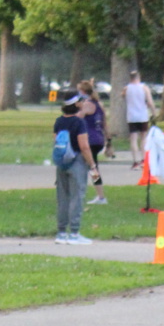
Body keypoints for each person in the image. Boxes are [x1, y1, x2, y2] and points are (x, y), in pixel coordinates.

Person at [51, 93, 93, 245]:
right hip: (77, 162)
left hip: (62, 163)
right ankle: (74, 233)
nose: (83, 103)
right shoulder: (79, 123)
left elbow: (55, 141)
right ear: (76, 104)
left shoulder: (59, 121)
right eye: (81, 101)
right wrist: (92, 164)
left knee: (63, 198)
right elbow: (84, 146)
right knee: (77, 197)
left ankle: (61, 233)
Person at [78, 79, 109, 204]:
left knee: (91, 168)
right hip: (99, 139)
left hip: (89, 140)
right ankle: (98, 195)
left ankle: (100, 196)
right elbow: (105, 124)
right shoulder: (99, 104)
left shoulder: (87, 104)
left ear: (83, 91)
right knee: (91, 167)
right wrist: (109, 140)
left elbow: (77, 118)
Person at [122, 70, 155, 169]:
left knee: (133, 139)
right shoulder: (144, 88)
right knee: (143, 138)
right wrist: (153, 112)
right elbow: (150, 102)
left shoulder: (126, 88)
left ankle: (135, 161)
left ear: (130, 78)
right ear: (138, 77)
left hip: (131, 116)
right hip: (142, 116)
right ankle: (143, 160)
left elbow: (123, 96)